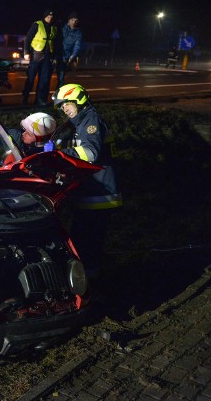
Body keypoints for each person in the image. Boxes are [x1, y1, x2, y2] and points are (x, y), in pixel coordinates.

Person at [46, 84, 122, 278]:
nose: (65, 110)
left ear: (77, 99)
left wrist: (59, 155)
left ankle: (90, 281)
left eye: (66, 105)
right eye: (62, 107)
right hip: (92, 192)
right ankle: (85, 277)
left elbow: (90, 153)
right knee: (81, 239)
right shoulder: (81, 122)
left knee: (89, 242)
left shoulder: (91, 120)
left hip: (100, 194)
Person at [21, 9, 57, 107]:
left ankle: (40, 100)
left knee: (44, 79)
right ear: (44, 17)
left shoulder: (54, 27)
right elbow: (28, 39)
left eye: (51, 17)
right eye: (48, 17)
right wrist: (26, 52)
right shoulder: (37, 25)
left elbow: (54, 43)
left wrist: (54, 57)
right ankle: (25, 98)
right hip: (36, 55)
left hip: (47, 56)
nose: (50, 19)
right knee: (31, 78)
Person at [56, 12, 82, 89]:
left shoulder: (78, 32)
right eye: (72, 20)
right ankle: (42, 98)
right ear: (69, 20)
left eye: (76, 21)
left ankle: (58, 98)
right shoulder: (61, 28)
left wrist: (73, 56)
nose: (74, 22)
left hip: (65, 57)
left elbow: (77, 46)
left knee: (61, 79)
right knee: (45, 78)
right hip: (55, 55)